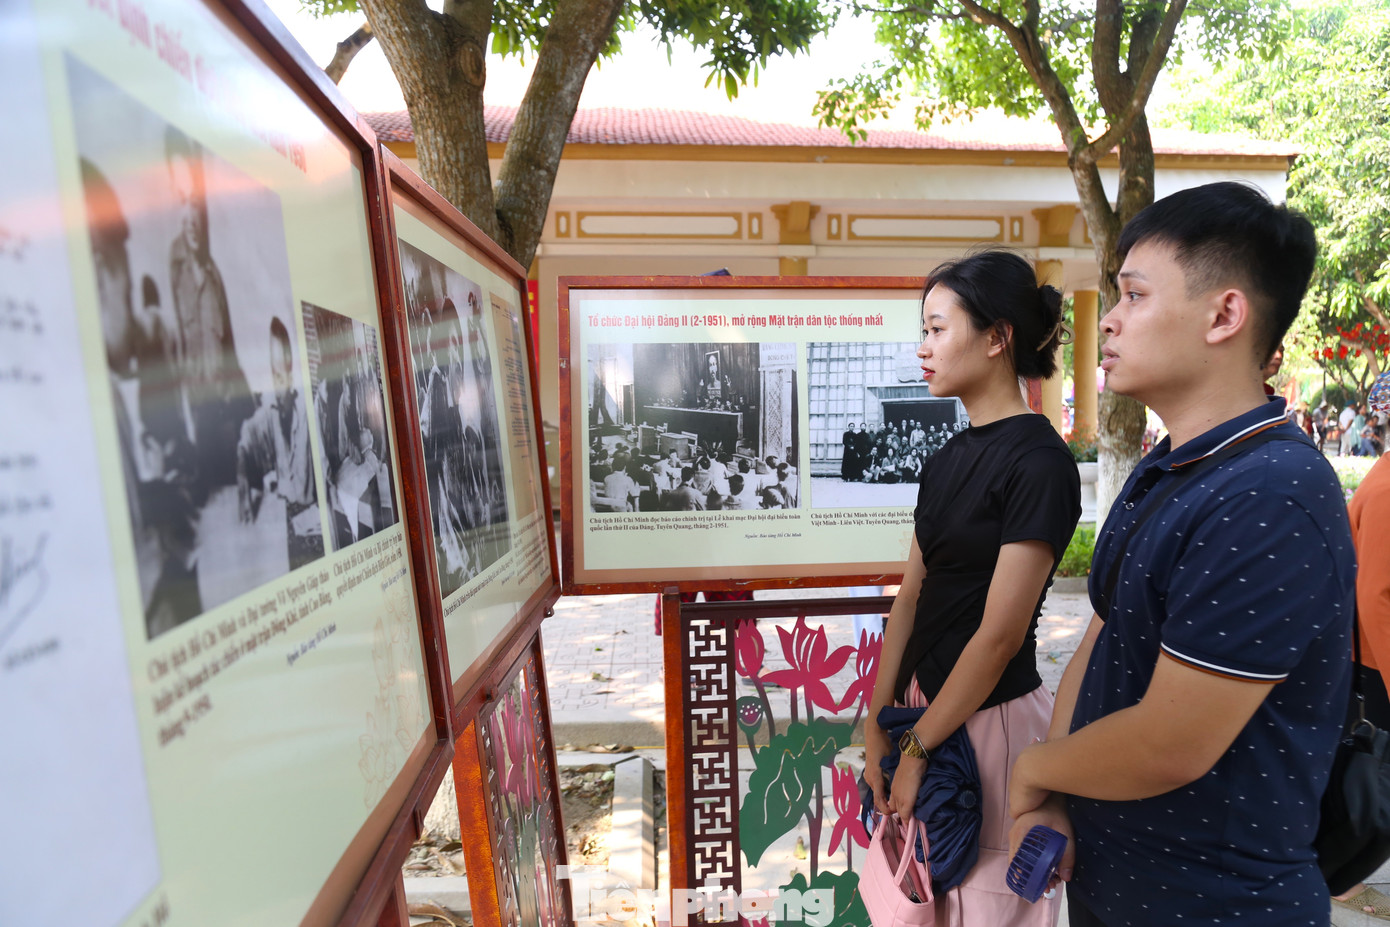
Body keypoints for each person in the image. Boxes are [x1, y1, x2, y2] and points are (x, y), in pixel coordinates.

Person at [1007, 182, 1356, 927]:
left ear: (1224, 314)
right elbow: (1101, 638)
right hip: (1113, 887)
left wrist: (1032, 768)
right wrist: (1058, 791)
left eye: (1134, 295)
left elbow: (1172, 741)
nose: (1109, 321)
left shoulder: (1272, 493)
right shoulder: (1171, 465)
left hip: (1216, 907)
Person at [865, 249, 1079, 926]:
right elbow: (911, 597)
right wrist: (877, 719)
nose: (922, 348)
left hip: (990, 719)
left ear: (996, 337)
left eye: (937, 329)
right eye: (923, 331)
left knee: (985, 903)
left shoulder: (1039, 462)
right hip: (923, 711)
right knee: (921, 897)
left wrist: (919, 747)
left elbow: (999, 636)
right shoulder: (946, 459)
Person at [1334, 372, 1390, 918]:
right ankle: (1345, 882)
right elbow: (1375, 596)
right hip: (1376, 661)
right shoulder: (1388, 488)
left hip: (1373, 657)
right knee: (1370, 770)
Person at [236, 317, 322, 569]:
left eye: (282, 375)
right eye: (274, 375)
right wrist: (242, 479)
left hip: (312, 528)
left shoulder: (308, 412)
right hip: (284, 525)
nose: (278, 384)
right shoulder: (269, 413)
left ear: (291, 371)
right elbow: (245, 441)